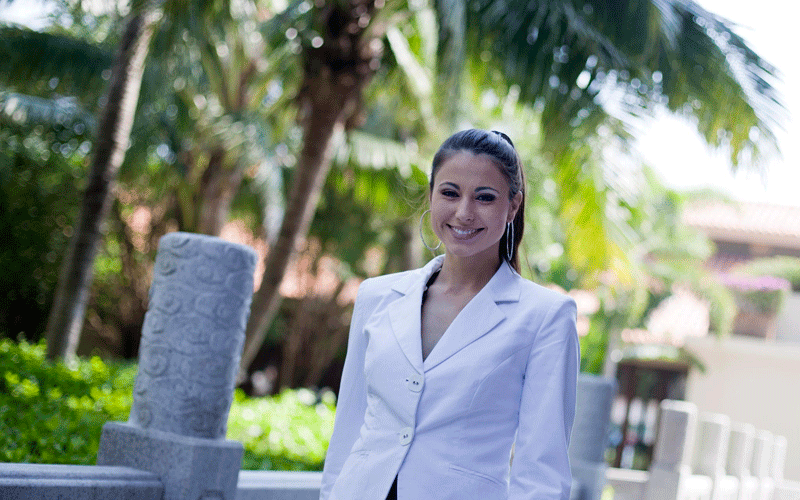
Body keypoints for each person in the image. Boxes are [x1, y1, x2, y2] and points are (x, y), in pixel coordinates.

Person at [320, 129, 579, 500]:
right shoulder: (377, 296)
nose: (464, 212)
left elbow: (542, 471)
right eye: (450, 193)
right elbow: (348, 429)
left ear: (513, 205)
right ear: (430, 195)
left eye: (485, 198)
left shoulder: (545, 317)